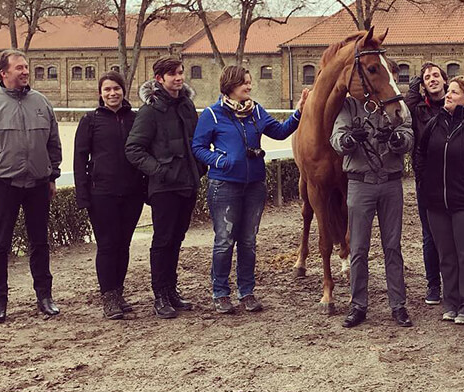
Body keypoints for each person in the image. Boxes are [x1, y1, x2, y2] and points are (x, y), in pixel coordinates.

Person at [192, 66, 306, 314]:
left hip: (254, 185)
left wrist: (298, 113)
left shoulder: (256, 111)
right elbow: (198, 147)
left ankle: (247, 292)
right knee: (224, 241)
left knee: (248, 241)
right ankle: (220, 293)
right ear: (231, 85)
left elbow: (280, 131)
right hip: (224, 186)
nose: (249, 86)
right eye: (244, 83)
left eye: (249, 82)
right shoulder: (212, 114)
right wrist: (220, 160)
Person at [125, 56, 206, 320]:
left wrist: (200, 167)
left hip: (187, 184)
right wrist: (160, 171)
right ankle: (159, 294)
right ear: (160, 79)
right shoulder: (150, 110)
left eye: (181, 72)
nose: (179, 78)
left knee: (177, 239)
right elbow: (134, 149)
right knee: (162, 241)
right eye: (173, 74)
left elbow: (196, 141)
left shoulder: (187, 105)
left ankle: (171, 290)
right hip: (163, 187)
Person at [0, 49, 62, 324]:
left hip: (37, 184)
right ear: (3, 73)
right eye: (19, 68)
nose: (25, 71)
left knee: (40, 242)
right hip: (2, 183)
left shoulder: (41, 102)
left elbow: (53, 142)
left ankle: (45, 296)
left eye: (26, 67)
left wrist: (52, 175)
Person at [414, 75, 464, 325]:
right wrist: (425, 183)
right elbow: (420, 154)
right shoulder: (434, 124)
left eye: (454, 92)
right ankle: (451, 302)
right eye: (448, 91)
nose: (448, 95)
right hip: (437, 203)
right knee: (446, 255)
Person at [330, 91, 414, 329]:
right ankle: (358, 305)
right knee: (358, 247)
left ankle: (398, 304)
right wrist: (350, 140)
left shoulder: (397, 104)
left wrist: (396, 139)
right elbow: (337, 138)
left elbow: (408, 136)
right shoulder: (349, 105)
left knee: (392, 246)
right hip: (360, 182)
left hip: (390, 182)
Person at [73, 71, 145, 320]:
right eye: (107, 90)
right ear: (100, 93)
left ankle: (119, 291)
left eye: (116, 88)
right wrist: (82, 194)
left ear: (124, 91)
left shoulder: (136, 119)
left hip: (132, 193)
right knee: (107, 245)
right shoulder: (90, 120)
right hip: (101, 193)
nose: (112, 93)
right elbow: (80, 158)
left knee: (123, 245)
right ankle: (108, 297)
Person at [405, 62, 448, 305]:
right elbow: (404, 107)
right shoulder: (419, 109)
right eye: (426, 77)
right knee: (429, 234)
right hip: (426, 180)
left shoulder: (455, 103)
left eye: (435, 75)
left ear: (444, 79)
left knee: (452, 234)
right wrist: (413, 88)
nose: (431, 79)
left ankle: (455, 281)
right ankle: (434, 284)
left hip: (453, 179)